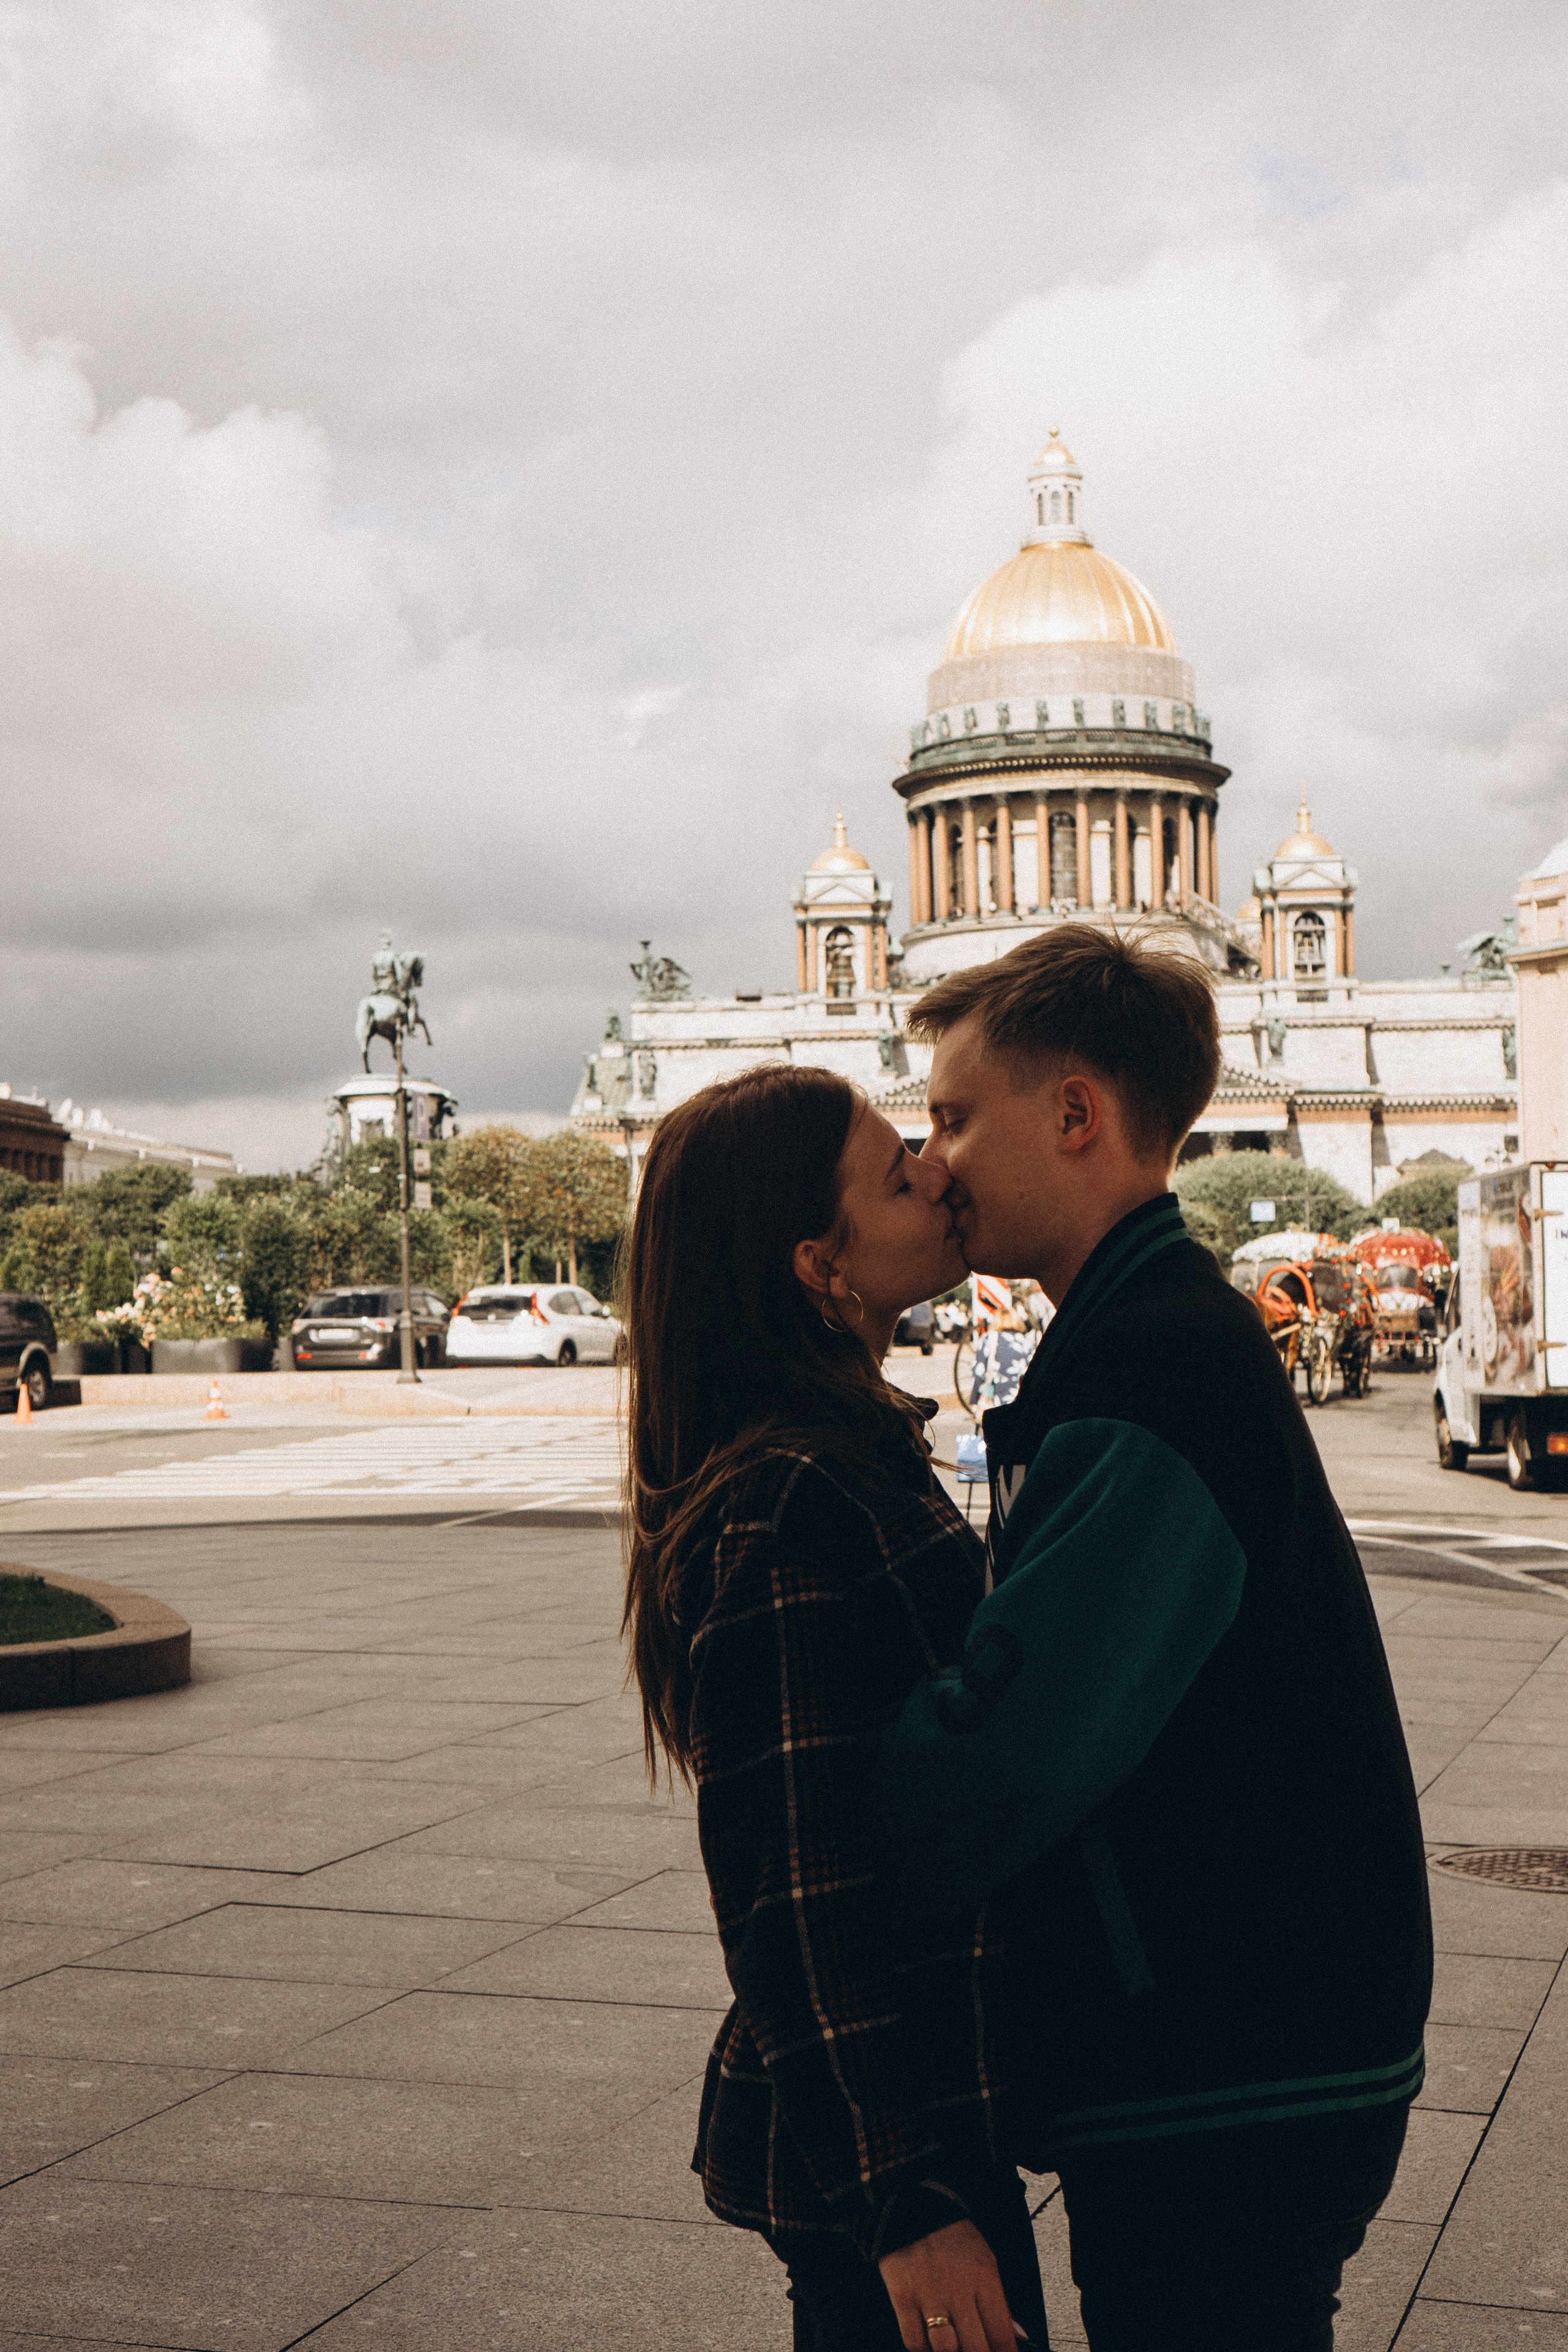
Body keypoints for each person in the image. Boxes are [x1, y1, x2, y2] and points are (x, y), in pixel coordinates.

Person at [872, 925, 1431, 2352]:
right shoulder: (1152, 1333)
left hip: (1223, 2057)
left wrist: (826, 1790)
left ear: (1073, 1115)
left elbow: (999, 1764)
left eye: (949, 1117)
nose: (928, 1162)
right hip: (1255, 2030)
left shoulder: (1147, 1368)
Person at [620, 1065, 1050, 2352]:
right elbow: (787, 1885)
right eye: (892, 1170)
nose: (935, 1168)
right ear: (821, 1267)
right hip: (890, 2144)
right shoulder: (789, 1500)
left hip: (915, 2115)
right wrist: (901, 2198)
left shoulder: (830, 1454)